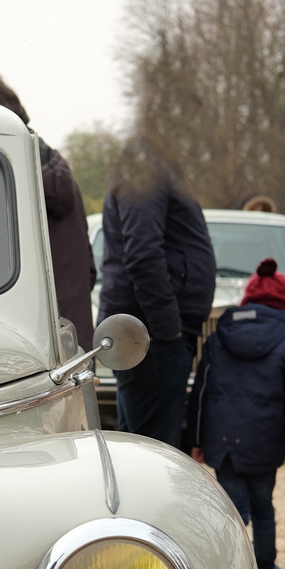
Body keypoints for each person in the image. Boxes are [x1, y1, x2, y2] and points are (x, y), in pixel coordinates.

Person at [189, 259, 285, 569]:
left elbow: (200, 391)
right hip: (265, 443)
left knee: (230, 507)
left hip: (222, 441)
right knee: (261, 508)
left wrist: (196, 439)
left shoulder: (217, 339)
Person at [0, 74, 97, 349]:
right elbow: (88, 270)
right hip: (67, 338)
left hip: (30, 344)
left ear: (0, 118)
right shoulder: (51, 167)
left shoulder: (3, 177)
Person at [98, 138, 216, 447]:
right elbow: (142, 256)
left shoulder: (155, 167)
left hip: (149, 334)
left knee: (140, 449)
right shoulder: (145, 169)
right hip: (150, 336)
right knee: (154, 453)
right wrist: (168, 332)